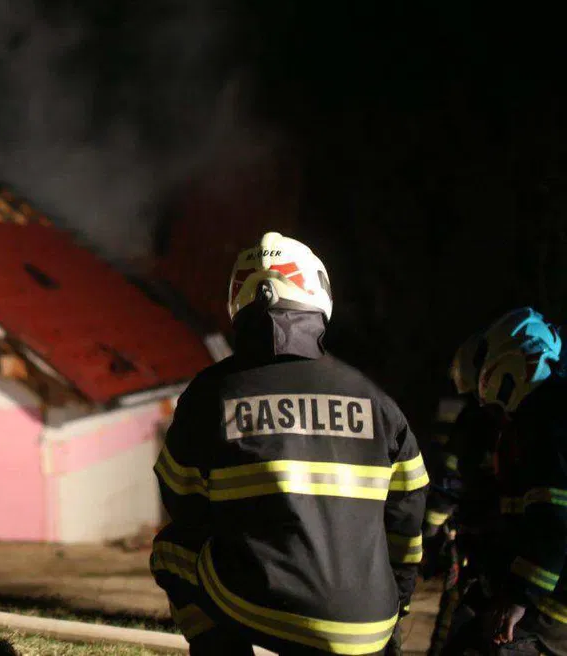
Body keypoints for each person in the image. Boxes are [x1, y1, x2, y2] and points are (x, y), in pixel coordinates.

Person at [149, 231, 429, 655]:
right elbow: (407, 514)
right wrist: (396, 603)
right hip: (373, 624)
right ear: (318, 294)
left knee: (171, 551)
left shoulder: (212, 393)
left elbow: (181, 498)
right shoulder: (376, 401)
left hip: (264, 608)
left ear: (238, 302)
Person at [441, 307, 565, 655]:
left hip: (552, 610)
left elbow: (554, 523)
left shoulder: (547, 422)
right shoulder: (539, 417)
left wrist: (518, 598)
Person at [423, 331, 506, 655]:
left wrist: (429, 533)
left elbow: (450, 480)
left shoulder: (474, 418)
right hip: (504, 545)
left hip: (476, 543)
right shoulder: (518, 419)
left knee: (454, 625)